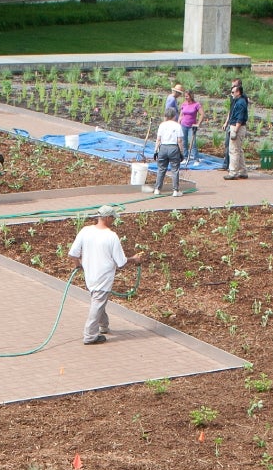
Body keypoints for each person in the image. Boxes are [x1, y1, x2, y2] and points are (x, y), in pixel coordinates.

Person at [67, 207, 138, 345]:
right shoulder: (111, 236)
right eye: (113, 218)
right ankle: (89, 335)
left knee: (99, 301)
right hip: (103, 277)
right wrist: (134, 259)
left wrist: (78, 264)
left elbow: (73, 253)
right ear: (107, 218)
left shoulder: (85, 231)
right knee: (98, 303)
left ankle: (103, 326)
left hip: (90, 276)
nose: (114, 220)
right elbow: (121, 262)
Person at [152, 110, 186, 197]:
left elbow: (158, 139)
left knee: (161, 169)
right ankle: (175, 190)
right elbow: (179, 140)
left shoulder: (162, 125)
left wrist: (156, 150)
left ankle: (157, 189)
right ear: (174, 116)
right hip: (173, 148)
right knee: (174, 170)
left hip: (163, 147)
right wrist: (181, 152)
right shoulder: (177, 126)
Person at [225, 80, 249, 180]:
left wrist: (235, 130)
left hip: (237, 127)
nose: (232, 94)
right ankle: (243, 171)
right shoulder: (237, 101)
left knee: (233, 150)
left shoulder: (240, 103)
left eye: (233, 92)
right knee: (239, 150)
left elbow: (240, 118)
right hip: (235, 126)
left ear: (238, 92)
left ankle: (233, 172)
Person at [178, 89, 202, 160]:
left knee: (193, 143)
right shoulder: (184, 104)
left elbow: (202, 114)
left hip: (192, 126)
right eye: (185, 96)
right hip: (183, 125)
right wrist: (178, 122)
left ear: (191, 96)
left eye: (187, 96)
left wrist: (198, 124)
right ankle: (185, 157)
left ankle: (196, 158)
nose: (186, 98)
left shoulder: (196, 104)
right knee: (184, 142)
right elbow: (181, 115)